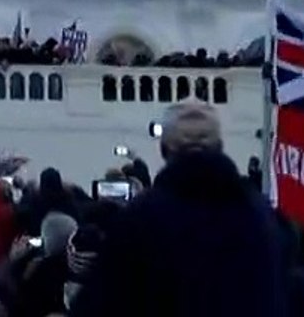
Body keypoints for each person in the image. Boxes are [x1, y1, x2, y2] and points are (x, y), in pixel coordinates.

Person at [70, 102, 288, 317]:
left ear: (164, 149)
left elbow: (99, 303)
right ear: (220, 146)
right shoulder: (259, 215)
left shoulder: (141, 218)